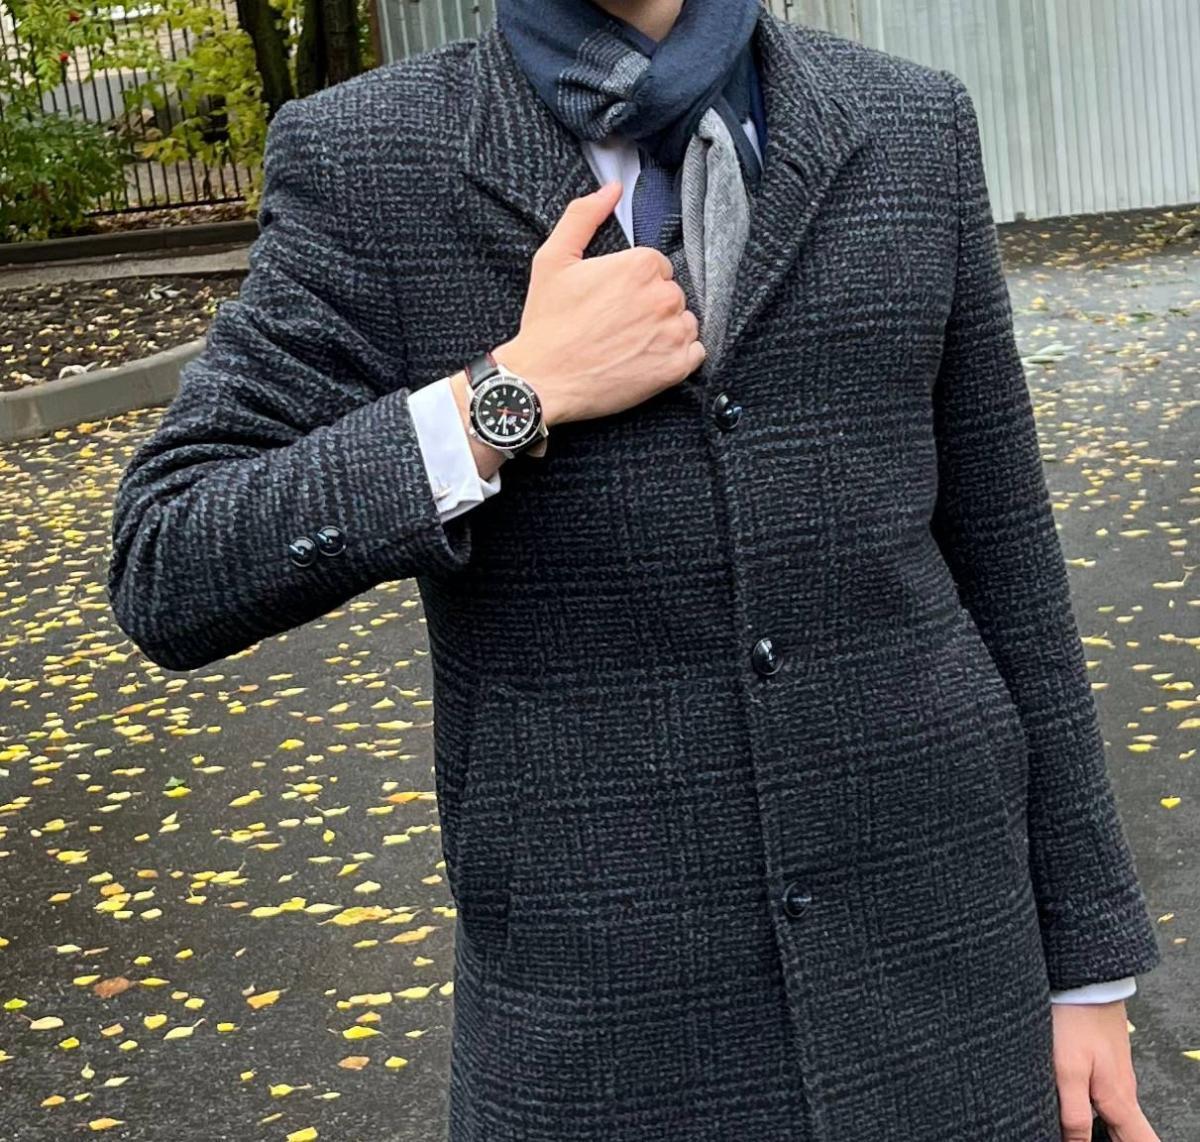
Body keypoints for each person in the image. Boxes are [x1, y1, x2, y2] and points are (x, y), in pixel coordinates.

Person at [105, 1, 1163, 1138]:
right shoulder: (372, 156)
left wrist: (1088, 967)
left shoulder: (909, 123)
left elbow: (1008, 561)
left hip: (948, 970)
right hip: (598, 1010)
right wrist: (506, 396)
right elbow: (171, 557)